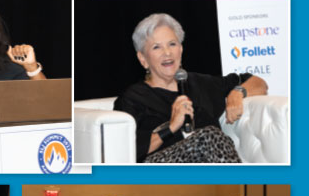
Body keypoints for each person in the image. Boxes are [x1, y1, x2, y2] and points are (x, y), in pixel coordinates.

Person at [114, 13, 268, 163]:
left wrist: (237, 92)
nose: (167, 52)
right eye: (156, 47)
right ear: (143, 59)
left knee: (209, 136)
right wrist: (171, 127)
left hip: (208, 171)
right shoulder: (132, 99)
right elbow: (123, 151)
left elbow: (258, 82)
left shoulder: (202, 84)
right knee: (209, 135)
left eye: (172, 44)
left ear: (180, 50)